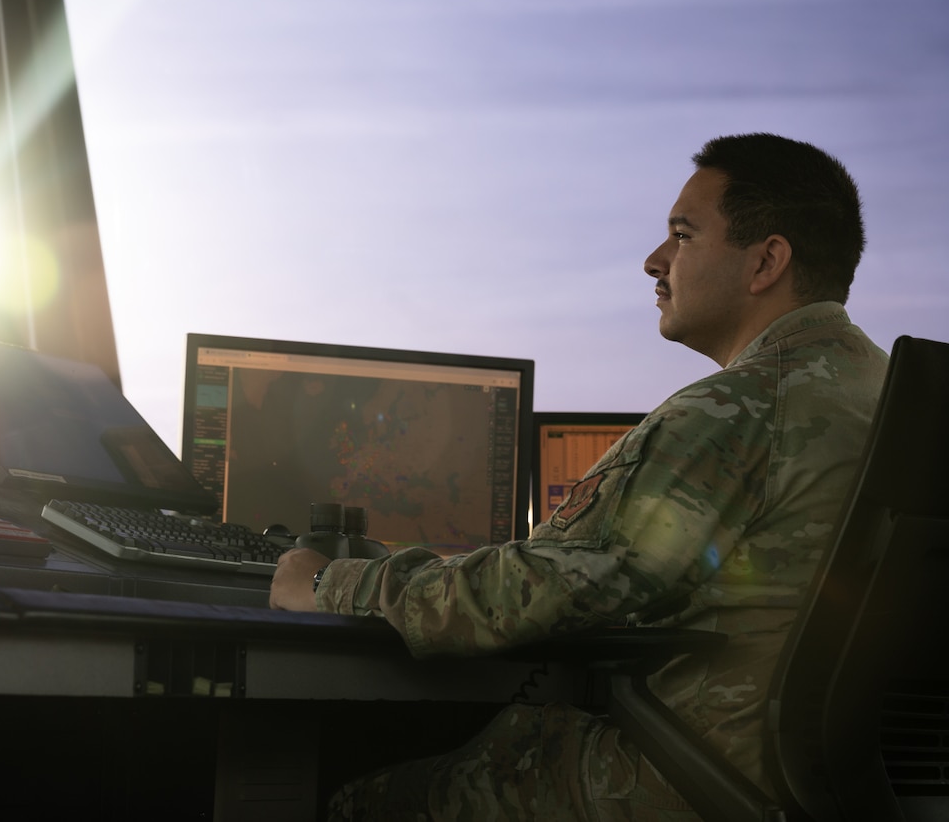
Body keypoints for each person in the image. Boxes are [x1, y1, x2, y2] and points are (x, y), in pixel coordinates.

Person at [268, 133, 891, 820]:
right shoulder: (891, 396)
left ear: (767, 261)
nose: (655, 262)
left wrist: (331, 582)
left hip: (675, 780)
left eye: (683, 236)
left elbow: (547, 589)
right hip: (824, 787)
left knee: (357, 796)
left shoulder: (742, 410)